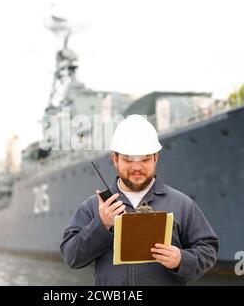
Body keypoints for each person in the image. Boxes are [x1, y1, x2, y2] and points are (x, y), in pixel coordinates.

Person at [60, 114, 219, 286]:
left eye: (144, 159)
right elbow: (71, 257)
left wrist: (182, 260)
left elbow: (208, 249)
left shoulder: (182, 204)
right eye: (128, 159)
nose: (137, 167)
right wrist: (101, 224)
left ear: (155, 158)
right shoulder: (93, 207)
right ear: (115, 159)